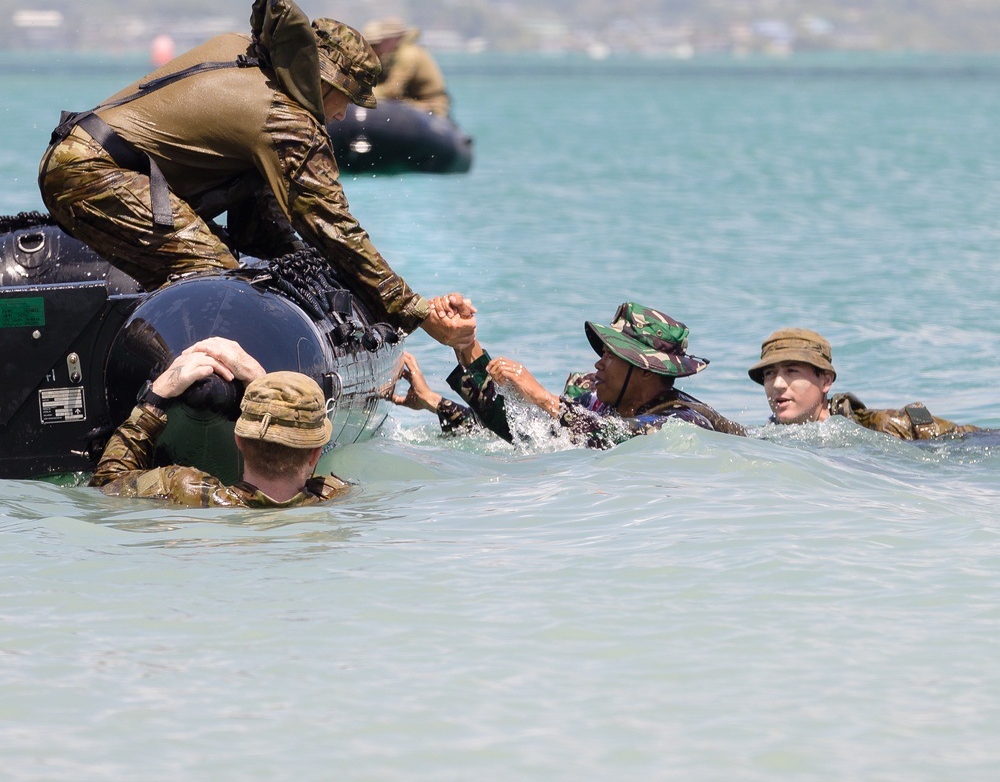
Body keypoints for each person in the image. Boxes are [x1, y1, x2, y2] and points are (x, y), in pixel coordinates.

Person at [38, 0, 475, 351]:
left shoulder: (240, 51)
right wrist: (413, 310)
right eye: (348, 100)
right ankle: (170, 399)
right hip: (97, 174)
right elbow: (334, 228)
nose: (342, 117)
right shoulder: (286, 122)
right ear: (327, 85)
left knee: (227, 270)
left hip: (79, 158)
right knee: (216, 284)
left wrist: (310, 279)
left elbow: (262, 219)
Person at [391, 302, 746, 447]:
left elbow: (620, 438)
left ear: (645, 370)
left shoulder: (684, 421)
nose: (598, 364)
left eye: (611, 355)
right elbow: (521, 433)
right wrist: (466, 347)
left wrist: (544, 398)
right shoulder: (598, 400)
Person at [91, 337, 350, 508]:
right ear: (315, 454)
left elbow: (105, 486)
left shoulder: (186, 490)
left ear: (238, 440)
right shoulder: (335, 494)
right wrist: (259, 379)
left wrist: (156, 395)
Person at [749, 327, 987, 439]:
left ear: (826, 380)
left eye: (792, 371)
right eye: (769, 374)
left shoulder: (884, 425)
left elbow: (975, 441)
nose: (778, 383)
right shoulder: (770, 437)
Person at [362, 19, 450, 118]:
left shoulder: (407, 55)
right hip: (415, 104)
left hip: (431, 107)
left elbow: (392, 91)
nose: (381, 45)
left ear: (396, 38)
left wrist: (361, 92)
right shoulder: (393, 56)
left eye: (384, 40)